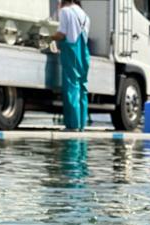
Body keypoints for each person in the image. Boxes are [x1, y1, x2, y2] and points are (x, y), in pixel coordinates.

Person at [52, 0, 90, 130]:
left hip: (72, 53)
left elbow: (62, 33)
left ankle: (73, 125)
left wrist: (49, 37)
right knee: (82, 88)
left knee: (72, 87)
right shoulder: (85, 15)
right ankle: (81, 125)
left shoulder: (65, 11)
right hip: (84, 54)